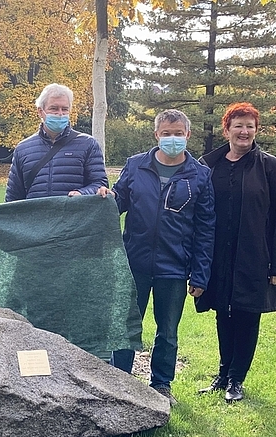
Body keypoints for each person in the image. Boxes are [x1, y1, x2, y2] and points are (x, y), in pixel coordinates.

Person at [97, 109, 215, 406]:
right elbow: (118, 202)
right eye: (166, 133)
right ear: (156, 135)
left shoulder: (200, 176)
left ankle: (161, 385)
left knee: (168, 331)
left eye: (178, 133)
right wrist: (104, 196)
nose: (172, 138)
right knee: (126, 326)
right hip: (134, 263)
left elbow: (205, 228)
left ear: (188, 135)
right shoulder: (136, 166)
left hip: (174, 268)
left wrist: (200, 274)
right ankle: (120, 380)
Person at [196, 102, 276, 403]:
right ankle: (223, 373)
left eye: (250, 125)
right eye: (238, 125)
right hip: (217, 255)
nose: (244, 131)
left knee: (247, 315)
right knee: (223, 312)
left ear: (255, 130)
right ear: (226, 130)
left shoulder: (270, 167)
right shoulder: (209, 165)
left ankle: (237, 379)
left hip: (253, 255)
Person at [5, 83, 108, 201]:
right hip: (36, 218)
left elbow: (100, 185)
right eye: (54, 108)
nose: (60, 114)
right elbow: (13, 197)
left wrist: (82, 193)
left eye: (64, 109)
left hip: (74, 217)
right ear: (40, 111)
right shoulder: (23, 149)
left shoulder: (88, 144)